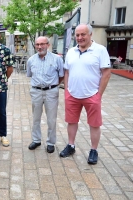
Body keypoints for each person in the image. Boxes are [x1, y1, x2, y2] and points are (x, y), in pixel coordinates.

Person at [59, 24, 111, 164]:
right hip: (72, 94)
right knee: (71, 121)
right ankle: (71, 145)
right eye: (77, 35)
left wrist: (98, 94)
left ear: (90, 34)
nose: (80, 38)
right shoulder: (71, 51)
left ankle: (93, 150)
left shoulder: (100, 50)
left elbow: (106, 73)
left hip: (92, 95)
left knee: (94, 124)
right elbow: (67, 72)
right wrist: (67, 91)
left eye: (83, 34)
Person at [26, 36, 64, 153]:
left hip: (51, 91)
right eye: (37, 44)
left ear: (48, 45)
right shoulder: (31, 60)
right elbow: (30, 74)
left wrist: (52, 86)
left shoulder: (57, 59)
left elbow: (61, 75)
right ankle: (36, 140)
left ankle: (51, 142)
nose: (40, 46)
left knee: (51, 119)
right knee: (36, 118)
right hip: (36, 91)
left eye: (42, 44)